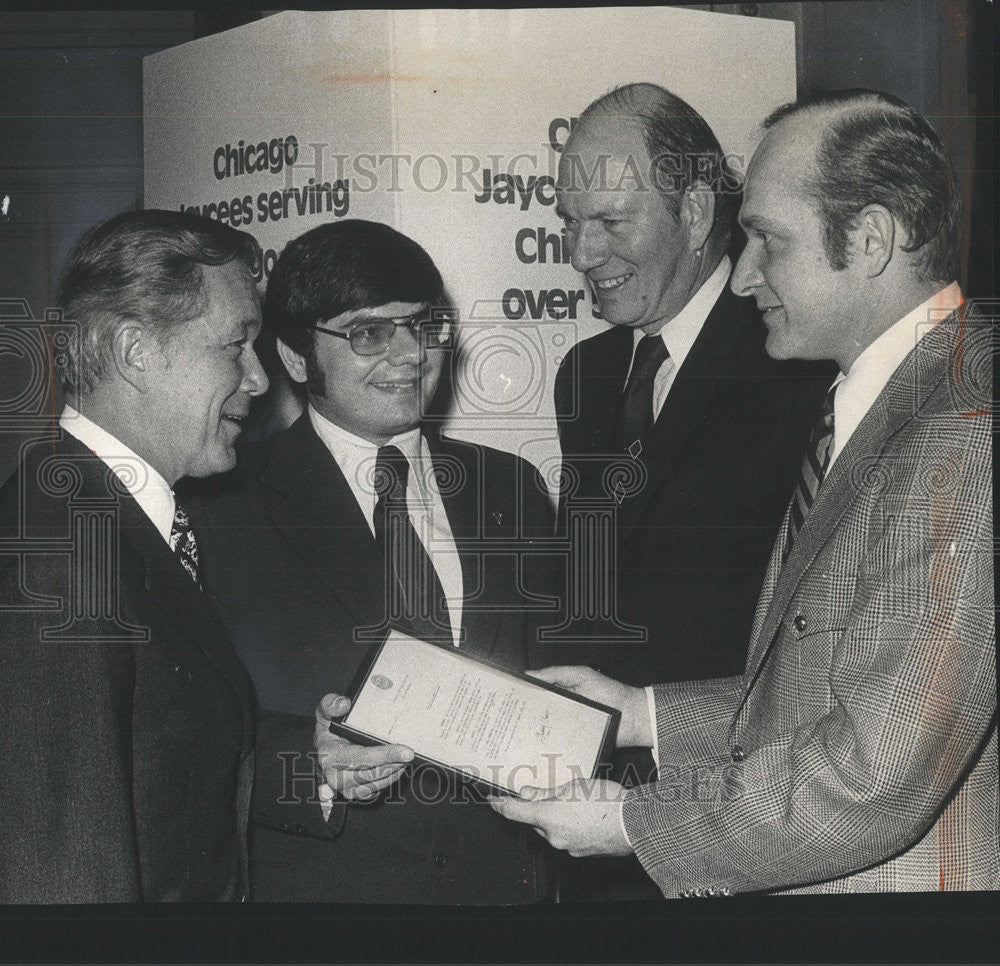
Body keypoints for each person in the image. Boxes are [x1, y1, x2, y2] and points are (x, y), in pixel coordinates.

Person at [491, 89, 996, 895]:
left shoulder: (968, 428)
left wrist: (630, 823)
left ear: (868, 240)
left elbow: (875, 773)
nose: (743, 273)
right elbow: (810, 681)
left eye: (765, 239)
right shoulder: (887, 401)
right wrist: (642, 713)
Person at [186, 219, 557, 903]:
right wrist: (309, 761)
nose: (411, 354)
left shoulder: (512, 489)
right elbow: (184, 730)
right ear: (297, 359)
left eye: (425, 325)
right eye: (368, 333)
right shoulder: (219, 508)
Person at [540, 82, 833, 899]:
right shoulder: (587, 375)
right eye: (569, 223)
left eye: (608, 222)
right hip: (595, 823)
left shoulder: (799, 361)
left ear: (698, 213)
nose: (580, 254)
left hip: (746, 826)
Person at [0, 209, 345, 903]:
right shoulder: (63, 563)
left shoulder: (104, 518)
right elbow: (65, 874)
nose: (258, 379)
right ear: (135, 351)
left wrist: (318, 763)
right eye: (235, 346)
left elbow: (161, 766)